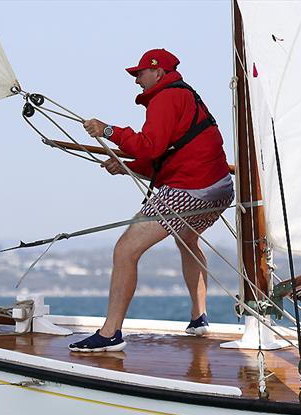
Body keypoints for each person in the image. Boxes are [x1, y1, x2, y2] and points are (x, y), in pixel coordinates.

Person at [69, 49, 233, 352]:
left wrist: (108, 131)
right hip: (220, 185)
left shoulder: (166, 98)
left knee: (125, 250)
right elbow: (167, 156)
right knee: (187, 238)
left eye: (140, 73)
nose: (136, 81)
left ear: (158, 72)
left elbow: (149, 147)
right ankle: (199, 318)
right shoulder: (185, 96)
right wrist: (128, 167)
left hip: (190, 188)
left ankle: (110, 333)